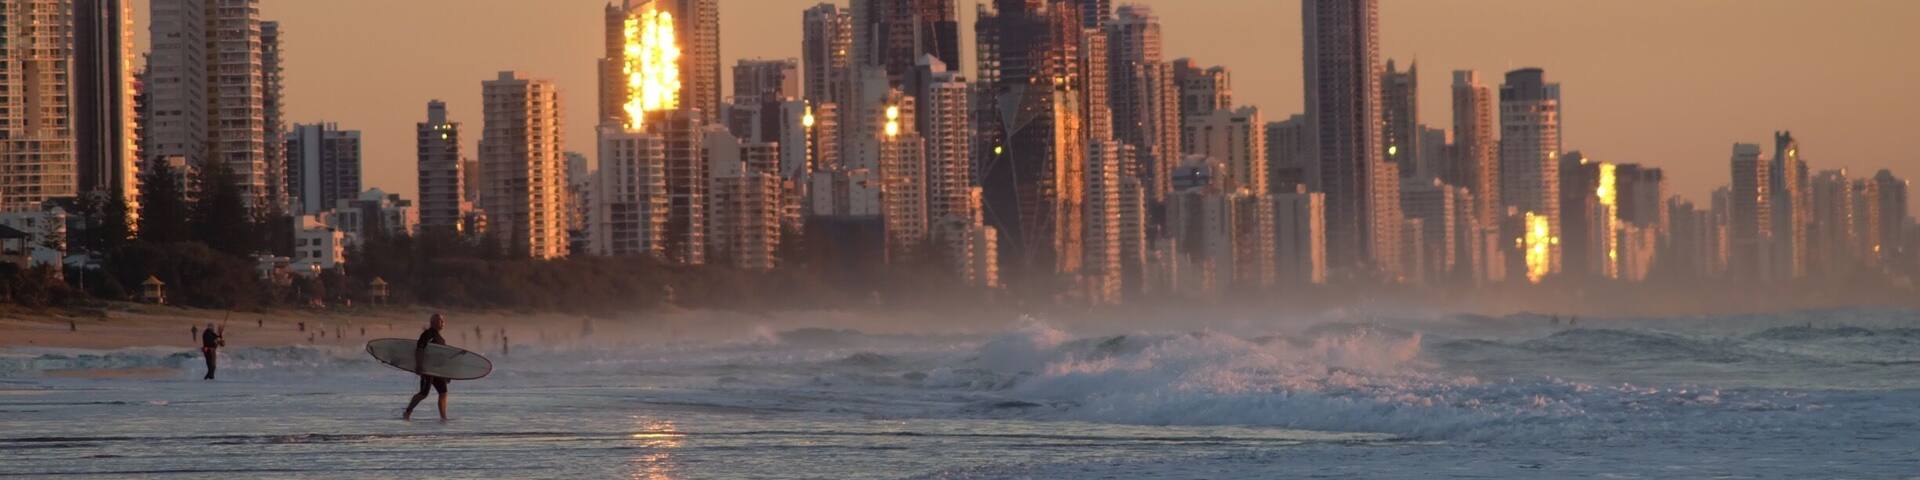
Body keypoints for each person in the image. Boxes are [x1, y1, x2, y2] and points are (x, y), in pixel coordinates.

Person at [404, 314, 452, 421]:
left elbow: (441, 356)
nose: (443, 323)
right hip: (427, 369)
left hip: (437, 370)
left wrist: (446, 373)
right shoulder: (427, 334)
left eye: (443, 321)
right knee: (423, 393)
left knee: (443, 392)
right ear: (434, 322)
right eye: (441, 321)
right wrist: (419, 365)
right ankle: (407, 412)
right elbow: (419, 349)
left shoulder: (440, 339)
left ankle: (443, 417)